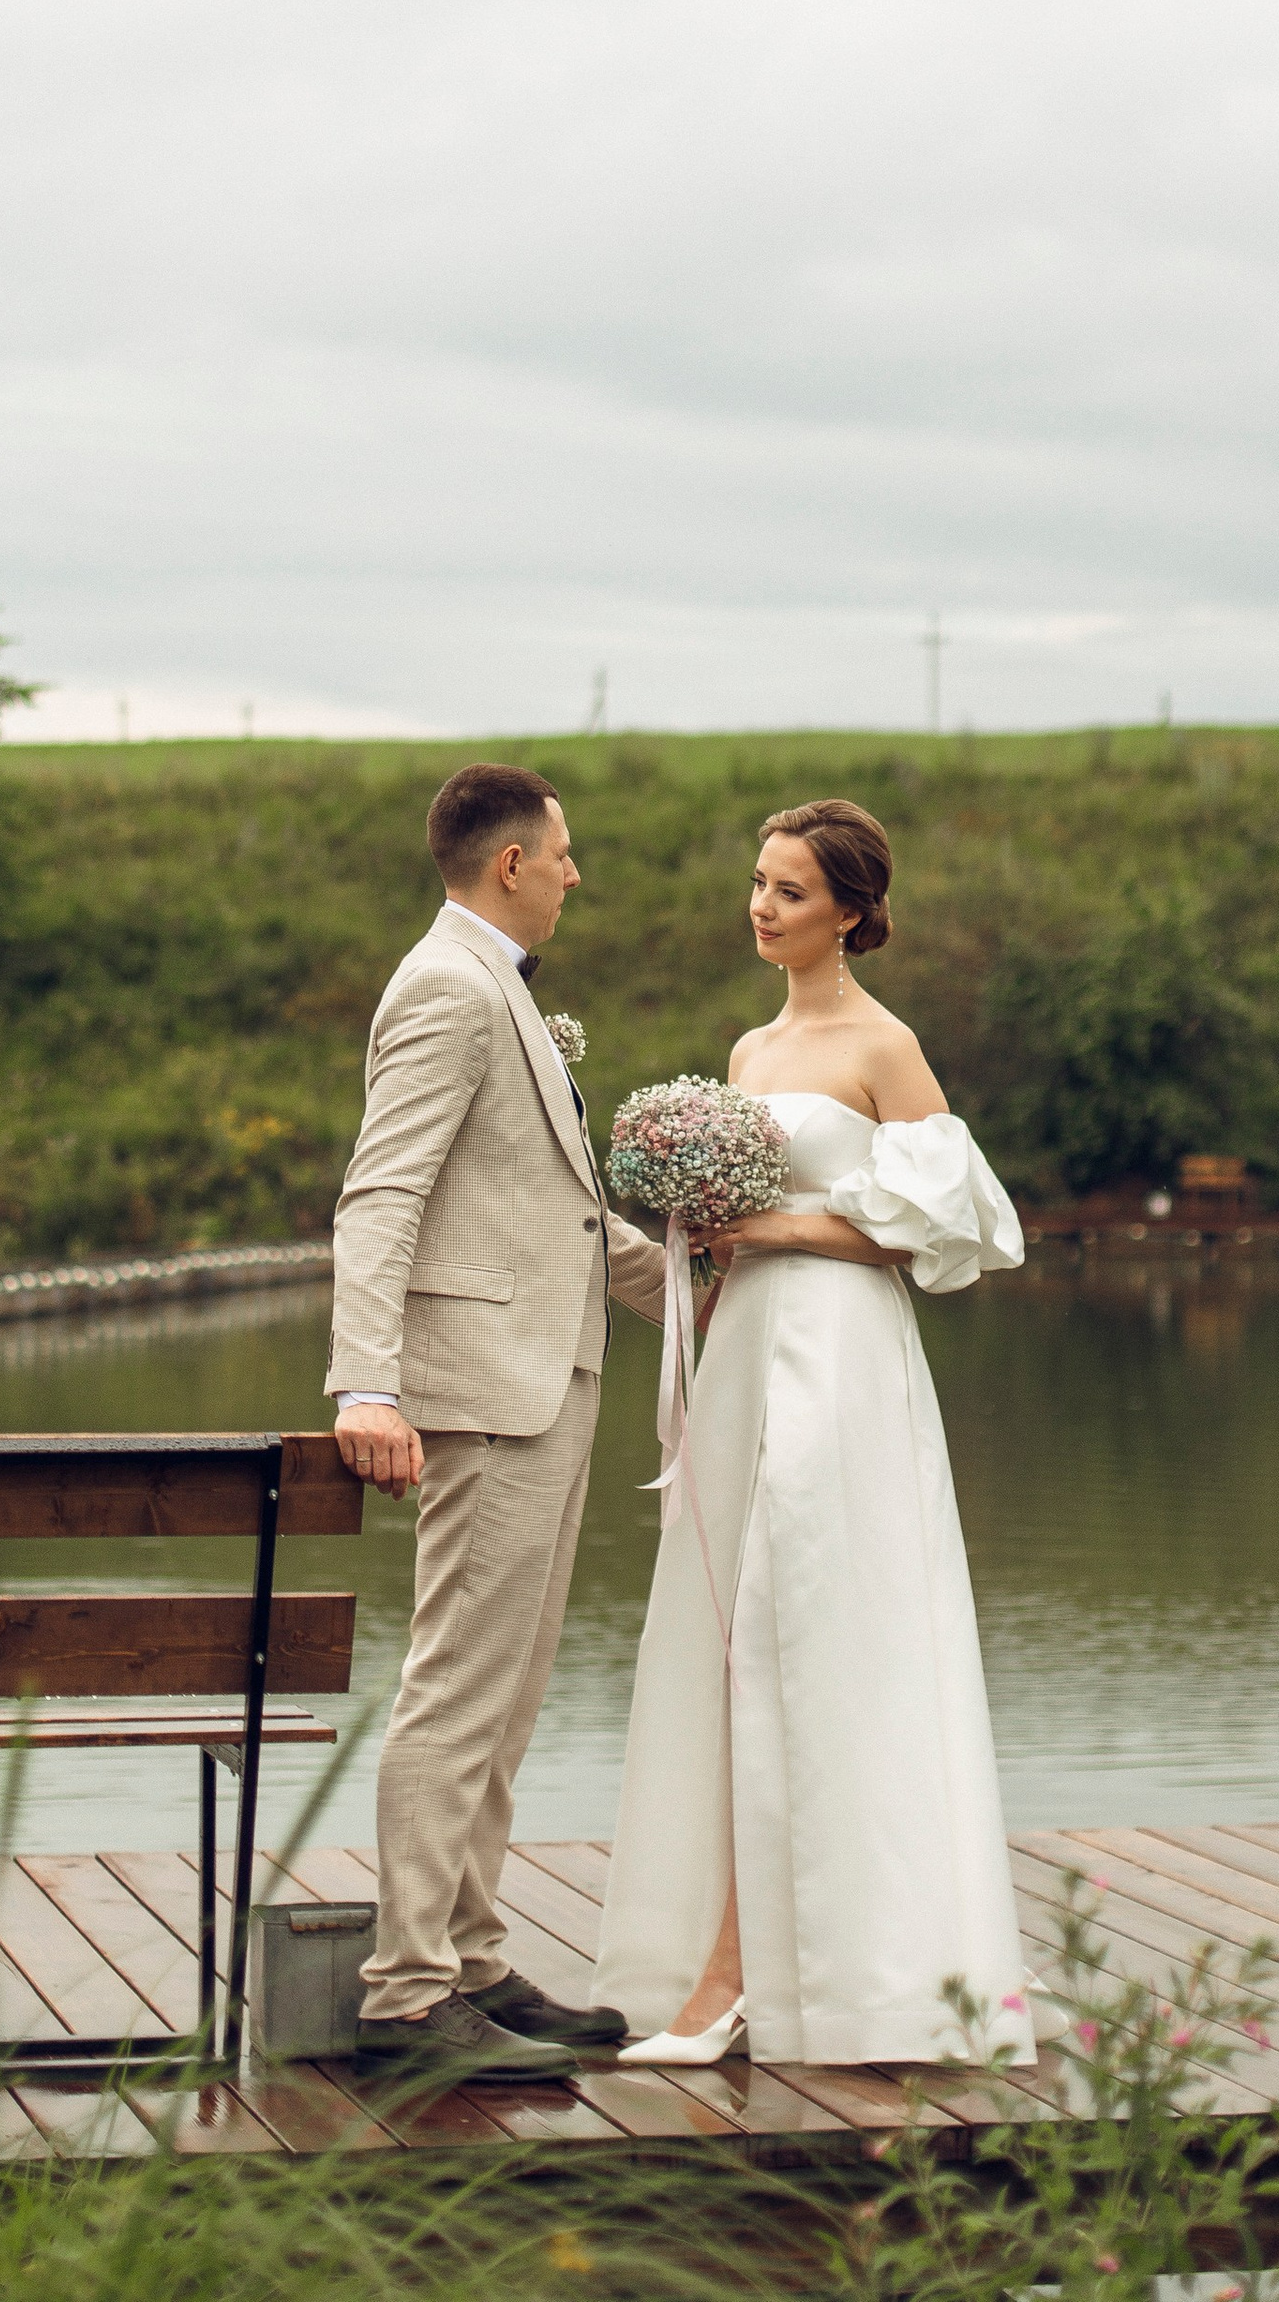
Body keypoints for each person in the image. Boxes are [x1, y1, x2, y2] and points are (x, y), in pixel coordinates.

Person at [592, 796, 1033, 2070]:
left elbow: (950, 1232)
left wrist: (773, 1229)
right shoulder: (742, 1053)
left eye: (788, 890)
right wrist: (702, 1256)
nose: (761, 906)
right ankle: (728, 1971)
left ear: (848, 909)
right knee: (732, 1642)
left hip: (840, 1354)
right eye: (756, 883)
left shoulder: (885, 1048)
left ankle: (819, 1976)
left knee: (827, 1638)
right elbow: (736, 1224)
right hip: (743, 1352)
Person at [329, 760, 670, 2077]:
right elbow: (381, 1194)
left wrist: (702, 1288)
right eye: (566, 853)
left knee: (509, 1694)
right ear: (511, 863)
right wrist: (368, 1384)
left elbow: (568, 1219)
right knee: (458, 1689)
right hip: (478, 1387)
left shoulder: (500, 994)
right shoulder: (445, 988)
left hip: (551, 1374)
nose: (578, 873)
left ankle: (470, 1957)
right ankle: (408, 1994)